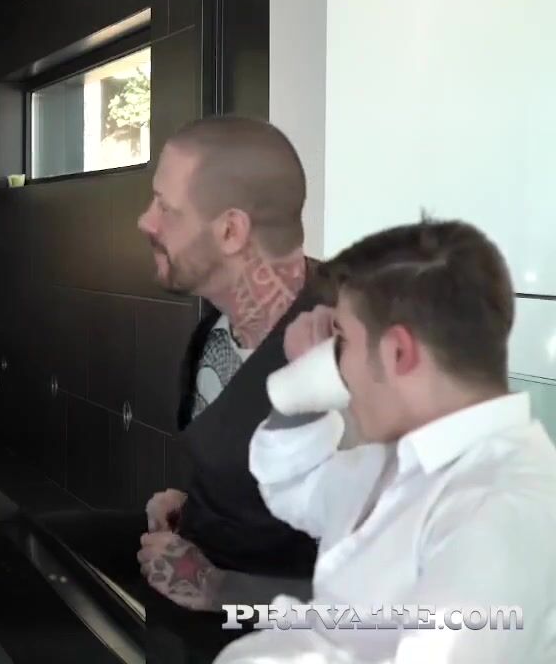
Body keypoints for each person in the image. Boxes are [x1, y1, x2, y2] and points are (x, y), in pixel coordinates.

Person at [216, 218, 556, 662]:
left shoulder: (500, 509)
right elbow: (295, 485)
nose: (335, 364)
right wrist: (304, 378)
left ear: (398, 352)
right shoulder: (400, 461)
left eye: (342, 340)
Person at [130, 116, 323, 609]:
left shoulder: (356, 355)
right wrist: (198, 507)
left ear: (231, 231)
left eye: (166, 209)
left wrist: (219, 590)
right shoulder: (217, 329)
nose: (146, 222)